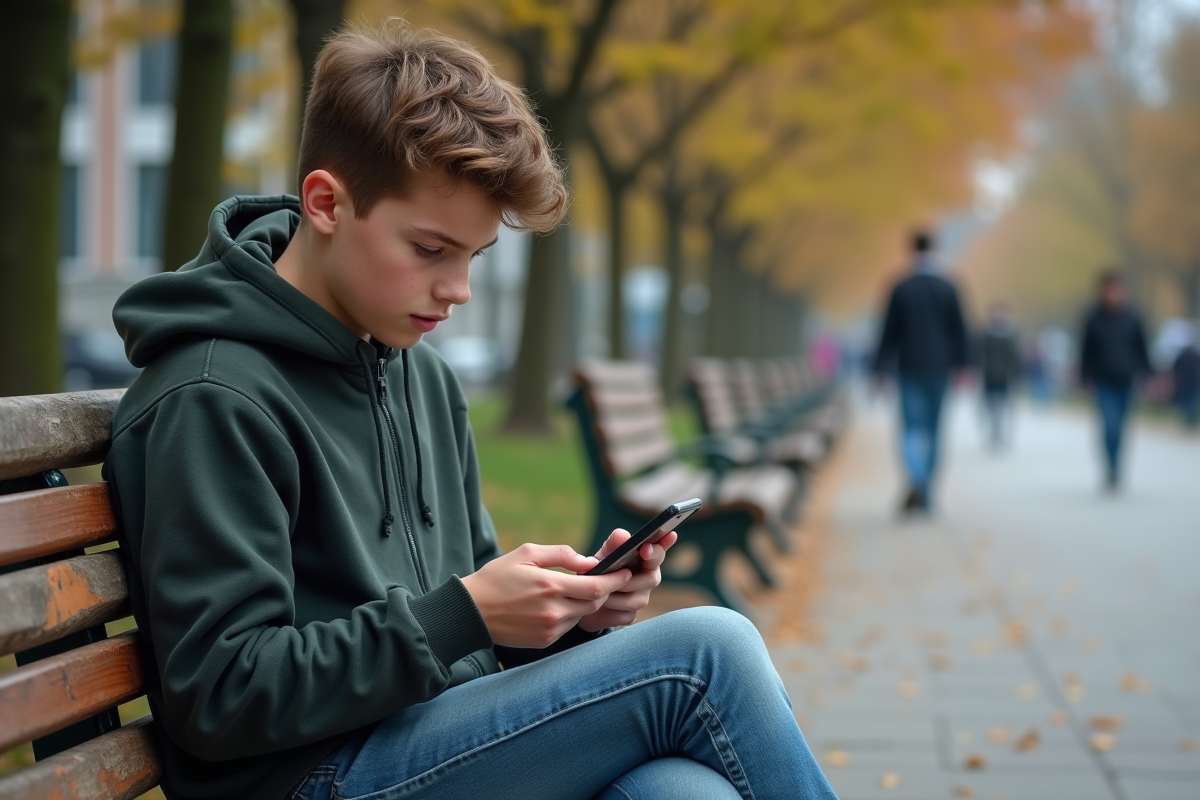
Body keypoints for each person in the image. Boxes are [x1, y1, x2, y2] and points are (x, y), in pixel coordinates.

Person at [101, 23, 836, 800]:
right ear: (326, 203)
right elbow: (220, 695)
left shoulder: (423, 380)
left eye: (474, 257)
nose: (459, 289)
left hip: (427, 740)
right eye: (430, 250)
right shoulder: (214, 397)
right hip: (304, 777)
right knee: (707, 651)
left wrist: (568, 618)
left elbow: (468, 643)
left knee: (680, 793)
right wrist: (461, 616)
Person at [873, 229, 969, 513]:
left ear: (911, 250)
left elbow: (888, 332)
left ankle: (916, 477)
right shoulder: (949, 286)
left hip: (909, 367)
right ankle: (926, 488)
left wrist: (880, 368)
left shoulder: (901, 287)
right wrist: (964, 365)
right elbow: (960, 330)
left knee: (911, 429)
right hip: (941, 368)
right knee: (935, 430)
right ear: (935, 249)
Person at [1079, 272, 1151, 490]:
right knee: (1109, 425)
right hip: (1103, 380)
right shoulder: (1093, 317)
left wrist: (1148, 374)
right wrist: (1084, 377)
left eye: (1117, 289)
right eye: (1109, 289)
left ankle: (1117, 466)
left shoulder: (1132, 317)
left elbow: (1142, 347)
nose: (1113, 294)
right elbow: (1086, 351)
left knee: (1121, 427)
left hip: (1126, 379)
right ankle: (1110, 467)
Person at [976, 304, 1021, 448]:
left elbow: (1015, 357)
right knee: (990, 404)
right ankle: (995, 428)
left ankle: (999, 429)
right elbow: (979, 354)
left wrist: (1017, 374)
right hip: (989, 375)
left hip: (1005, 376)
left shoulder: (1010, 336)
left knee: (1002, 404)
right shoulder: (986, 335)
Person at [1171, 325, 1200, 429]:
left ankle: (1189, 420)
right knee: (1192, 401)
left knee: (1187, 401)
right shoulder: (1195, 355)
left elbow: (1174, 367)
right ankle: (1191, 420)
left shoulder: (1181, 355)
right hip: (1193, 381)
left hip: (1184, 382)